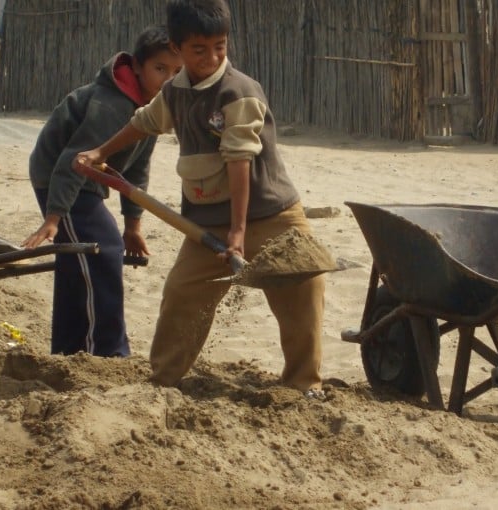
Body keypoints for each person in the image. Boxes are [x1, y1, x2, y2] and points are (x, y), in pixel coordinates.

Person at [76, 0, 326, 397]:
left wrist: (239, 233)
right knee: (182, 295)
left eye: (220, 46)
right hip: (206, 222)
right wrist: (100, 154)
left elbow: (239, 161)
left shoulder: (239, 92)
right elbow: (143, 123)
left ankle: (302, 384)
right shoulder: (175, 92)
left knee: (301, 292)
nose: (211, 57)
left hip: (271, 214)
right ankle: (162, 382)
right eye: (199, 49)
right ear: (177, 48)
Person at [21, 25, 183, 358]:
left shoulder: (152, 105)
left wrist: (132, 226)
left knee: (76, 264)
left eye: (178, 71)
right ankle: (108, 353)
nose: (169, 79)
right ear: (137, 66)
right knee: (101, 249)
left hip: (88, 180)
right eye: (160, 69)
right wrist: (55, 217)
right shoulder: (111, 105)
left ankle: (68, 352)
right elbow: (72, 159)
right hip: (60, 178)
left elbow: (136, 168)